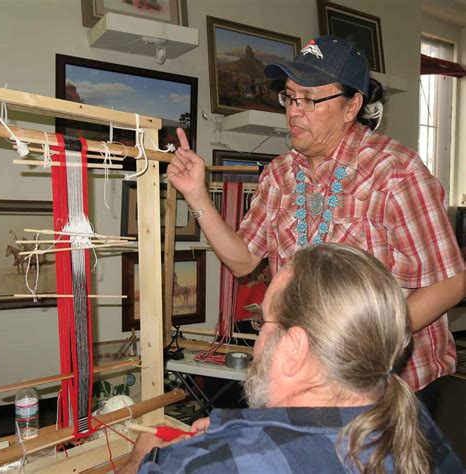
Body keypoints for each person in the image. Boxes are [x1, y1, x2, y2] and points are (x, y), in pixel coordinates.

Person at [167, 35, 465, 401]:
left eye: (310, 99)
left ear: (352, 104)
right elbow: (243, 260)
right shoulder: (279, 175)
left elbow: (450, 284)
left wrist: (362, 343)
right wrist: (197, 195)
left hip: (394, 388)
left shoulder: (395, 172)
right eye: (290, 97)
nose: (294, 110)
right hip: (311, 383)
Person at [121, 244, 462, 473]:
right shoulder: (410, 417)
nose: (258, 339)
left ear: (296, 348)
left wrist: (142, 459)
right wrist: (231, 429)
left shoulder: (209, 465)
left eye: (264, 322)